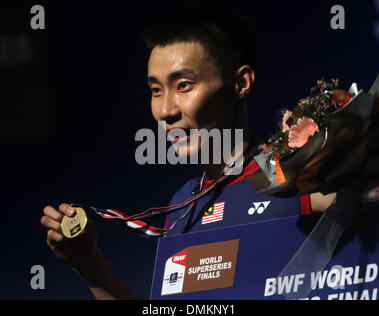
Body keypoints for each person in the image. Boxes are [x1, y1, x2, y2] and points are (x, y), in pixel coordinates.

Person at [40, 3, 376, 300]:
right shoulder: (181, 204)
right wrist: (92, 269)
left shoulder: (295, 173)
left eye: (183, 85)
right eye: (156, 90)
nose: (165, 110)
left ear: (240, 83)